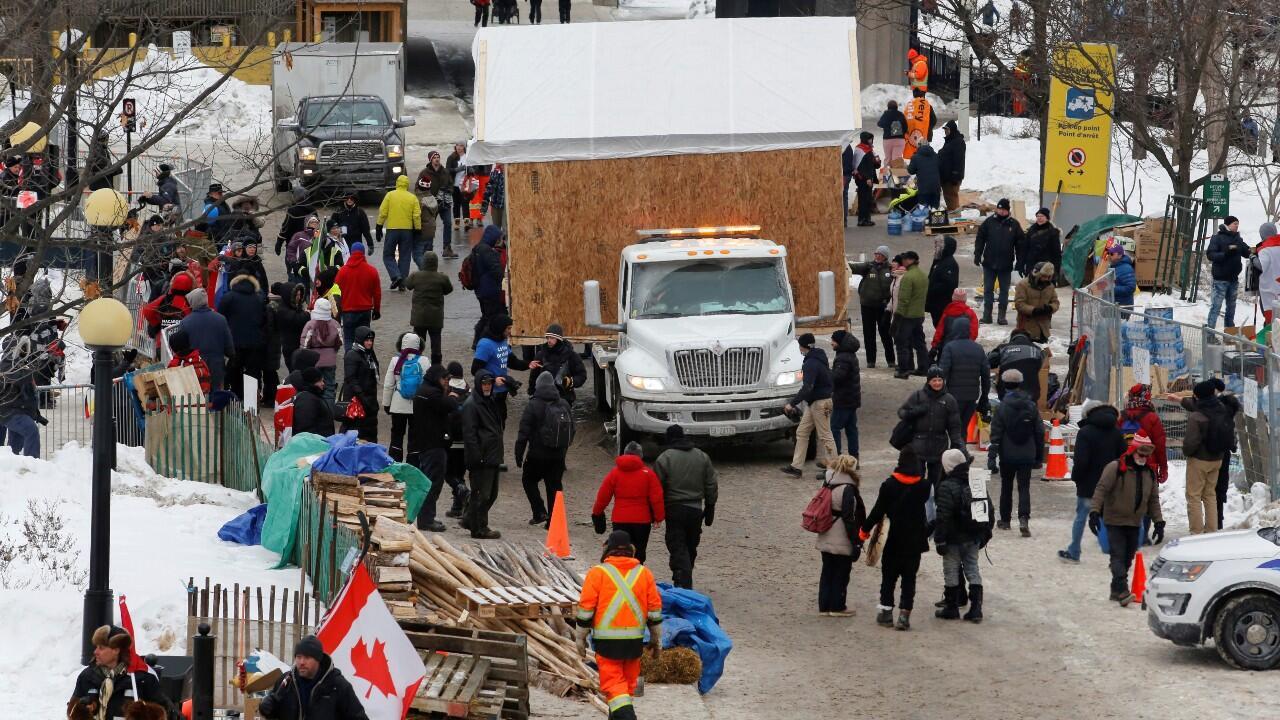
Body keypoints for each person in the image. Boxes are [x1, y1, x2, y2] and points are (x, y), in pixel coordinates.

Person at [574, 530, 663, 720]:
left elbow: (586, 610)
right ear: (631, 550)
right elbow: (654, 611)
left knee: (615, 688)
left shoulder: (597, 573)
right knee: (626, 689)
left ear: (608, 549)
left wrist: (580, 637)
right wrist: (656, 639)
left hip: (607, 644)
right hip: (634, 643)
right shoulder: (644, 573)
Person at [859, 448, 930, 631]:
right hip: (914, 542)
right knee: (909, 579)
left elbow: (877, 511)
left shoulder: (889, 485)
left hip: (892, 541)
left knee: (888, 578)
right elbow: (930, 513)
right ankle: (904, 616)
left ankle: (886, 614)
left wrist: (864, 530)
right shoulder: (924, 486)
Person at [1089, 433, 1164, 606]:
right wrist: (1094, 512)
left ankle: (1115, 590)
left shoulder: (1149, 473)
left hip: (1135, 522)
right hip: (1114, 520)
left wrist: (1159, 522)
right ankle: (1123, 591)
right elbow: (1101, 489)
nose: (1143, 458)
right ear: (1133, 451)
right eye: (1140, 454)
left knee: (1127, 558)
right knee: (1118, 555)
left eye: (1146, 456)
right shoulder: (1116, 468)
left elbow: (1153, 500)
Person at [1059, 400, 1126, 563]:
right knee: (1107, 517)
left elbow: (1081, 461)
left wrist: (1076, 478)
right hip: (1110, 483)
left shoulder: (1085, 432)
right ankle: (1113, 552)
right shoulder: (1116, 432)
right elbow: (1123, 458)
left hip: (1088, 484)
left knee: (1081, 517)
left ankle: (1074, 551)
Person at [71, 625, 176, 719]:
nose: (95, 652)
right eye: (96, 647)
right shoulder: (87, 676)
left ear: (116, 650)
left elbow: (168, 712)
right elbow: (71, 710)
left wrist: (145, 713)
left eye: (101, 648)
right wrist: (81, 709)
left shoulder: (142, 679)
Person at [933, 448, 989, 622]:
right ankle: (976, 609)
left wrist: (939, 539)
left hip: (953, 538)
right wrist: (985, 534)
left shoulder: (946, 486)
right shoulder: (976, 480)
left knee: (951, 569)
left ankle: (951, 607)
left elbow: (943, 516)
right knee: (972, 568)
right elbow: (988, 508)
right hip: (973, 535)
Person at [259, 635, 369, 720]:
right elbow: (273, 713)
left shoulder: (337, 686)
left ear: (318, 659)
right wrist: (265, 709)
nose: (301, 662)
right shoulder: (286, 682)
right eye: (299, 657)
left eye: (307, 657)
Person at [987, 368, 1042, 536]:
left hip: (1008, 454)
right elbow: (1039, 431)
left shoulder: (1002, 407)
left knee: (1006, 486)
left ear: (1005, 384)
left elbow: (996, 433)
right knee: (1024, 487)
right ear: (1020, 384)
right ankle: (1024, 518)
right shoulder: (1031, 405)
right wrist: (1038, 456)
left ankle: (1005, 520)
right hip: (1027, 453)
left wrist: (992, 457)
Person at [516, 371, 574, 526]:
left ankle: (539, 512)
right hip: (558, 455)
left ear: (538, 386)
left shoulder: (533, 405)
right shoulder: (564, 404)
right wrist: (563, 451)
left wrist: (519, 453)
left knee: (528, 480)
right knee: (554, 487)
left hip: (537, 455)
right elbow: (572, 429)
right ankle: (553, 522)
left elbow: (523, 432)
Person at [410, 363, 464, 531]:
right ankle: (426, 520)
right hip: (434, 444)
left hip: (427, 443)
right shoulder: (432, 394)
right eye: (445, 378)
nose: (447, 381)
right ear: (436, 378)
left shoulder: (423, 391)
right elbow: (450, 406)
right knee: (433, 483)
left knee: (431, 482)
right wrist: (453, 396)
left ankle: (427, 518)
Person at [1182, 379, 1239, 534]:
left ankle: (1196, 532)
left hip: (1199, 460)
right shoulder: (1223, 409)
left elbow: (1190, 443)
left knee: (1194, 495)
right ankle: (1212, 530)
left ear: (1199, 396)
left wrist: (1187, 452)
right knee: (1210, 495)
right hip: (1218, 459)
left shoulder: (1197, 416)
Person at [593, 441, 665, 562]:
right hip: (642, 520)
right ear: (640, 455)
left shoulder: (614, 473)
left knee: (619, 552)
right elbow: (656, 498)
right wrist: (659, 517)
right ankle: (637, 571)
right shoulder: (648, 474)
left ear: (625, 453)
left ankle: (620, 571)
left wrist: (597, 513)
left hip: (620, 519)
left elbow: (603, 496)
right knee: (639, 552)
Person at [813, 454, 865, 617]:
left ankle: (824, 606)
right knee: (841, 572)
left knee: (827, 571)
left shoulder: (828, 482)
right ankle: (837, 606)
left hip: (826, 532)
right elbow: (849, 517)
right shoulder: (848, 488)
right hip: (841, 536)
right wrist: (855, 541)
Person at [780, 333, 836, 478]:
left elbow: (807, 388)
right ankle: (796, 466)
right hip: (818, 402)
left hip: (819, 403)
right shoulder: (820, 358)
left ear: (803, 346)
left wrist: (792, 403)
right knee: (802, 432)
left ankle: (833, 469)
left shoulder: (810, 364)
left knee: (825, 435)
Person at [898, 365, 964, 484]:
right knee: (917, 482)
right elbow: (902, 412)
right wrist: (915, 411)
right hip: (918, 446)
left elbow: (954, 426)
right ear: (928, 381)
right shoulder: (918, 396)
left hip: (939, 447)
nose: (937, 383)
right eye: (934, 380)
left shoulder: (949, 400)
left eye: (940, 380)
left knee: (936, 482)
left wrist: (957, 443)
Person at [461, 370, 504, 539]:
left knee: (491, 494)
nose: (487, 386)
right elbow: (469, 435)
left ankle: (470, 520)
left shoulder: (489, 401)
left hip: (491, 454)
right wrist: (476, 457)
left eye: (489, 383)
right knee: (482, 494)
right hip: (482, 456)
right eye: (484, 383)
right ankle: (479, 527)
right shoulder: (472, 405)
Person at [218, 274, 267, 403]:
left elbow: (221, 317)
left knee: (234, 370)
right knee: (253, 371)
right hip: (254, 341)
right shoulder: (258, 298)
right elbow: (264, 320)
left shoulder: (229, 297)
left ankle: (236, 396)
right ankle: (251, 400)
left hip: (234, 341)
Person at [974, 198, 1024, 325]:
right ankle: (987, 316)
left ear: (1008, 211)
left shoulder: (1014, 225)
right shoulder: (989, 222)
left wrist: (1020, 262)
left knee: (1004, 291)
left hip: (1005, 264)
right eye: (999, 209)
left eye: (1004, 210)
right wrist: (977, 254)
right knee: (988, 290)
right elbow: (980, 238)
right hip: (989, 263)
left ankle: (1002, 316)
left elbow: (1020, 244)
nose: (1001, 211)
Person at [472, 314, 530, 424]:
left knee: (501, 422)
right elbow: (475, 370)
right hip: (490, 394)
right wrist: (493, 380)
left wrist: (529, 364)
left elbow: (512, 362)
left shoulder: (503, 341)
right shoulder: (485, 344)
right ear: (500, 328)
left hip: (502, 392)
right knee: (491, 426)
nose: (510, 331)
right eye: (508, 328)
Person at [938, 317, 988, 431]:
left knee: (953, 427)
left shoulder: (950, 347)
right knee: (963, 427)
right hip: (972, 396)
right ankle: (962, 442)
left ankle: (956, 442)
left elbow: (942, 372)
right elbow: (986, 375)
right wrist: (984, 396)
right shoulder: (978, 348)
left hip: (953, 395)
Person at [179, 288, 235, 391]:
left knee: (197, 394)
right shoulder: (220, 319)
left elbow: (182, 348)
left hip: (194, 366)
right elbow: (229, 346)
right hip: (216, 365)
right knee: (216, 394)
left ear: (193, 302)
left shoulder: (185, 322)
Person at [849, 246, 895, 368]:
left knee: (886, 334)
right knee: (869, 334)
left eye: (881, 254)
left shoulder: (891, 269)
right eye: (876, 254)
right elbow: (852, 267)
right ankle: (871, 361)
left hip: (883, 307)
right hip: (867, 306)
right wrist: (841, 261)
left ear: (885, 257)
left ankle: (891, 360)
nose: (878, 256)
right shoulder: (868, 266)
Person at [405, 251, 453, 365]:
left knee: (417, 343)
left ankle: (416, 364)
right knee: (436, 343)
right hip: (435, 318)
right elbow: (449, 289)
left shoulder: (415, 276)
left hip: (419, 317)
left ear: (424, 262)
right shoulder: (442, 277)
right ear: (436, 263)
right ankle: (436, 365)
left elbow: (408, 285)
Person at [334, 241, 382, 354]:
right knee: (365, 339)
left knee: (349, 338)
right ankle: (364, 360)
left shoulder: (342, 271)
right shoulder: (372, 271)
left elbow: (335, 293)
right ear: (363, 253)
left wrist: (336, 313)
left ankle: (350, 360)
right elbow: (377, 293)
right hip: (365, 311)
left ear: (351, 253)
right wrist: (376, 310)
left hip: (348, 311)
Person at [383, 332, 424, 462]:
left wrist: (386, 404)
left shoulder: (395, 360)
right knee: (415, 436)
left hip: (398, 404)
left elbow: (388, 385)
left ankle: (395, 461)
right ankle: (413, 462)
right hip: (417, 406)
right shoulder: (424, 361)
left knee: (397, 434)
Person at [378, 175, 424, 291]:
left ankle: (395, 275)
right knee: (405, 256)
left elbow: (383, 212)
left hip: (392, 230)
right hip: (407, 231)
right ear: (407, 185)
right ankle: (402, 282)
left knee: (388, 255)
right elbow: (416, 215)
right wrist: (418, 229)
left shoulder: (390, 195)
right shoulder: (412, 198)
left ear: (397, 183)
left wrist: (379, 226)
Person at [0, 337, 42, 457]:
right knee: (31, 431)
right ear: (14, 349)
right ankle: (33, 462)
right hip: (9, 412)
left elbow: (29, 394)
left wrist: (36, 414)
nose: (24, 351)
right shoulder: (6, 365)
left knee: (15, 447)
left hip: (20, 411)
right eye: (21, 348)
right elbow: (18, 378)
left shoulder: (21, 365)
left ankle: (14, 463)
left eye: (25, 348)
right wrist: (32, 370)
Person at [1119, 383, 1168, 484]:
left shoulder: (1121, 417)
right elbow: (1160, 446)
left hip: (1125, 464)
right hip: (1148, 465)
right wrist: (1163, 468)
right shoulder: (1152, 417)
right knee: (1147, 493)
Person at [892, 250, 929, 379]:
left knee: (901, 343)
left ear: (910, 260)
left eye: (904, 259)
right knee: (920, 343)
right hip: (919, 314)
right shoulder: (923, 275)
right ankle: (924, 368)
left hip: (907, 316)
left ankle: (904, 370)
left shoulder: (908, 277)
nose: (902, 261)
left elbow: (904, 300)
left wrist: (897, 318)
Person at [443, 362, 473, 519]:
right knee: (460, 473)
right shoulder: (469, 389)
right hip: (466, 440)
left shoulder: (447, 390)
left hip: (450, 439)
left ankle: (462, 492)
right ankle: (458, 506)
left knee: (448, 473)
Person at [469, 225, 506, 348]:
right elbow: (497, 271)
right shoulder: (488, 251)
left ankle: (478, 340)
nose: (498, 241)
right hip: (490, 290)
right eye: (497, 238)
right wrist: (504, 281)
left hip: (480, 289)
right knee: (491, 317)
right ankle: (481, 340)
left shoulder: (477, 248)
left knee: (486, 316)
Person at [529, 323, 587, 404]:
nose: (549, 340)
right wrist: (532, 393)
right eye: (548, 338)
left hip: (564, 398)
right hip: (544, 398)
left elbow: (582, 375)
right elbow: (534, 376)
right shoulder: (541, 354)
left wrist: (571, 381)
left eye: (552, 338)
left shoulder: (571, 355)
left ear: (559, 339)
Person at [1206, 215, 1246, 328]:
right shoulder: (1217, 238)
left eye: (1238, 224)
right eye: (1235, 224)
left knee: (1231, 307)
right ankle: (1210, 333)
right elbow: (1210, 255)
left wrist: (1257, 250)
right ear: (1228, 225)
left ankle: (1229, 332)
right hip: (1220, 279)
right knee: (1216, 307)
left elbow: (1247, 251)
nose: (1237, 226)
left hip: (1233, 279)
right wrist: (1225, 253)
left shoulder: (1238, 239)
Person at [341, 327, 380, 442]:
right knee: (355, 432)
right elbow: (351, 379)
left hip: (369, 399)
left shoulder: (369, 354)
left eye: (371, 340)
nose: (369, 343)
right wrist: (363, 397)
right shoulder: (352, 355)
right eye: (367, 340)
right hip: (356, 401)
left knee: (369, 431)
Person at [300, 297, 342, 403]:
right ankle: (329, 408)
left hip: (314, 360)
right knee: (330, 387)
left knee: (314, 386)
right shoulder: (335, 324)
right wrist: (333, 351)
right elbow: (340, 341)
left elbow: (305, 344)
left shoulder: (311, 325)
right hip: (330, 360)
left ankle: (316, 406)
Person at [828, 330, 861, 457]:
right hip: (852, 399)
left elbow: (837, 377)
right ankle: (854, 458)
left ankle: (835, 458)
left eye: (833, 340)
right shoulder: (849, 354)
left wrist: (826, 373)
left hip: (843, 399)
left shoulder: (843, 357)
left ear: (839, 342)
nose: (831, 343)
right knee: (851, 429)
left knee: (834, 428)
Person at [417, 150, 456, 256]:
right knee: (429, 226)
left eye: (438, 157)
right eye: (434, 157)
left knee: (448, 223)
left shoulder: (445, 172)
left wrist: (448, 191)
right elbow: (418, 188)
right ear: (430, 160)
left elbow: (451, 184)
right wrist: (426, 198)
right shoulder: (424, 173)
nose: (437, 159)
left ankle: (447, 248)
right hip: (430, 204)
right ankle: (428, 249)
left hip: (444, 203)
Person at [990, 329, 1044, 402]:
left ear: (1012, 337)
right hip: (1031, 393)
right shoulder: (1037, 349)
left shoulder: (1003, 348)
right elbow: (1039, 366)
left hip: (1006, 393)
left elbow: (990, 362)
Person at [141, 271, 193, 345]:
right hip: (183, 345)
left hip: (162, 341)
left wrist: (157, 324)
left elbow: (147, 310)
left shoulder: (165, 299)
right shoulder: (189, 303)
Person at [1012, 262, 1059, 343]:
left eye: (1048, 277)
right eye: (1044, 276)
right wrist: (1033, 310)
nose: (1046, 279)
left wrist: (1050, 308)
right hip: (1026, 327)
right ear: (1037, 274)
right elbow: (1019, 304)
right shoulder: (1023, 285)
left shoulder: (1050, 287)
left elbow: (1055, 302)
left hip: (1043, 328)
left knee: (1042, 350)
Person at [272, 283, 310, 374]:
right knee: (295, 372)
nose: (299, 297)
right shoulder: (283, 310)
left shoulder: (294, 306)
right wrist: (308, 314)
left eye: (300, 295)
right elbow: (297, 319)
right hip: (290, 347)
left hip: (298, 345)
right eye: (297, 295)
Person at [924, 236, 959, 328]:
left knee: (942, 328)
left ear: (944, 248)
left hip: (942, 304)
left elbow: (949, 285)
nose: (935, 248)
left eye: (937, 246)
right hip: (935, 303)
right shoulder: (938, 260)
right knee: (938, 326)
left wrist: (932, 289)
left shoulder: (950, 263)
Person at [291, 366, 335, 438]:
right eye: (320, 381)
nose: (323, 383)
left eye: (323, 380)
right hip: (314, 442)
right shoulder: (306, 399)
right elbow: (305, 429)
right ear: (312, 382)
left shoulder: (314, 395)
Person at [167, 327, 213, 395]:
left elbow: (170, 384)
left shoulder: (175, 363)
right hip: (204, 398)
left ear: (174, 347)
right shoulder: (199, 359)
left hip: (185, 399)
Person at [930, 288, 978, 353]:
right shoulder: (970, 313)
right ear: (965, 299)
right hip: (964, 347)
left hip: (947, 346)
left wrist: (934, 346)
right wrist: (969, 343)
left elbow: (940, 331)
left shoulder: (947, 312)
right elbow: (974, 331)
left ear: (953, 298)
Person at [847, 131, 879, 227]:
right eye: (869, 139)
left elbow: (859, 165)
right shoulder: (866, 151)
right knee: (866, 199)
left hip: (859, 177)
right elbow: (866, 167)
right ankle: (865, 219)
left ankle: (862, 219)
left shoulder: (858, 148)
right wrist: (868, 178)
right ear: (866, 139)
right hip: (865, 178)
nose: (871, 140)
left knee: (862, 199)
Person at [1020, 207, 1061, 279]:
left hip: (1045, 266)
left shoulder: (1053, 232)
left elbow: (1056, 252)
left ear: (1047, 218)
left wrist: (1056, 269)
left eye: (1042, 216)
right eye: (1038, 216)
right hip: (1031, 265)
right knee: (1030, 284)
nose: (1039, 218)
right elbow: (1025, 248)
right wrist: (1021, 265)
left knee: (1043, 285)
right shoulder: (1031, 230)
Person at [275, 193, 315, 258]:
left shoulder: (292, 210)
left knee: (292, 262)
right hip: (308, 246)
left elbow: (286, 227)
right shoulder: (313, 210)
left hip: (293, 245)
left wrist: (279, 242)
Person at [937, 120, 966, 211]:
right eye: (945, 130)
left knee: (952, 198)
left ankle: (955, 215)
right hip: (946, 177)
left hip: (952, 177)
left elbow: (959, 160)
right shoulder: (950, 140)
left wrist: (955, 175)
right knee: (948, 197)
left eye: (947, 129)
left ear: (952, 130)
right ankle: (952, 212)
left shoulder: (958, 142)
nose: (945, 131)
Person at [906, 139, 941, 210]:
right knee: (935, 211)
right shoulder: (936, 156)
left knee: (923, 211)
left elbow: (911, 171)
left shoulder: (915, 157)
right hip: (936, 188)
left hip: (923, 189)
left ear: (919, 146)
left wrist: (907, 166)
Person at [903, 95, 935, 160]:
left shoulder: (909, 105)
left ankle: (914, 165)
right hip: (925, 137)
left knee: (913, 156)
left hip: (911, 139)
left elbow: (904, 121)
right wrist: (928, 128)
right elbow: (934, 120)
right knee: (924, 156)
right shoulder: (927, 105)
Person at [877, 100, 908, 165]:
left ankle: (887, 171)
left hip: (888, 140)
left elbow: (879, 124)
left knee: (888, 159)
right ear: (897, 107)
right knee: (897, 160)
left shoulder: (886, 114)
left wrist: (888, 126)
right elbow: (906, 127)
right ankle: (897, 171)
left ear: (888, 107)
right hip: (899, 140)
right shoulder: (900, 114)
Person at [482, 163, 507, 228]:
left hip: (506, 206)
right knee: (496, 228)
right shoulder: (494, 173)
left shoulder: (509, 173)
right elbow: (488, 189)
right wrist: (484, 207)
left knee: (506, 228)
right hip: (495, 205)